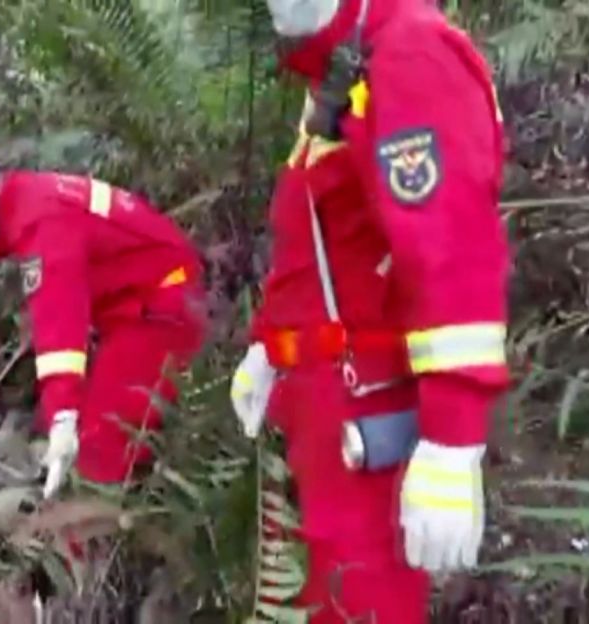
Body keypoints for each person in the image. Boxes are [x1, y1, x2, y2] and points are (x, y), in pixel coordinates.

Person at [229, 0, 510, 622]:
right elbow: (320, 244)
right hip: (321, 405)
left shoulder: (412, 54)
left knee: (364, 602)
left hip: (371, 407)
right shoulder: (342, 69)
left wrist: (452, 439)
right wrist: (269, 347)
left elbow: (452, 251)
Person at [0, 134, 208, 499]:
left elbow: (61, 326)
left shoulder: (38, 224)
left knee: (98, 452)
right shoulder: (34, 197)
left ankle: (88, 543)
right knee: (74, 420)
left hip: (160, 310)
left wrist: (63, 420)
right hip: (147, 301)